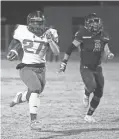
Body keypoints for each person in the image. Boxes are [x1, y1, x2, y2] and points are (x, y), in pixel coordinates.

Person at [7, 10, 60, 130]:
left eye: (39, 23)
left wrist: (50, 40)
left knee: (35, 92)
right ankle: (34, 121)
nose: (37, 25)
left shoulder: (50, 32)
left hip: (41, 69)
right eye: (34, 23)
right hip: (26, 67)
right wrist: (13, 51)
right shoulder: (22, 30)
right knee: (36, 89)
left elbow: (56, 52)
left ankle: (20, 97)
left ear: (44, 23)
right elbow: (15, 42)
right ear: (29, 23)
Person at [58, 13, 114, 123]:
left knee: (99, 93)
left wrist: (109, 53)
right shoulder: (83, 33)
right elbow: (70, 48)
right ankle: (86, 93)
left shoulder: (103, 34)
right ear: (87, 24)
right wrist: (64, 62)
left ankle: (89, 115)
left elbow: (106, 46)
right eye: (92, 22)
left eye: (96, 21)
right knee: (92, 86)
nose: (95, 24)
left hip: (97, 67)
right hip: (85, 67)